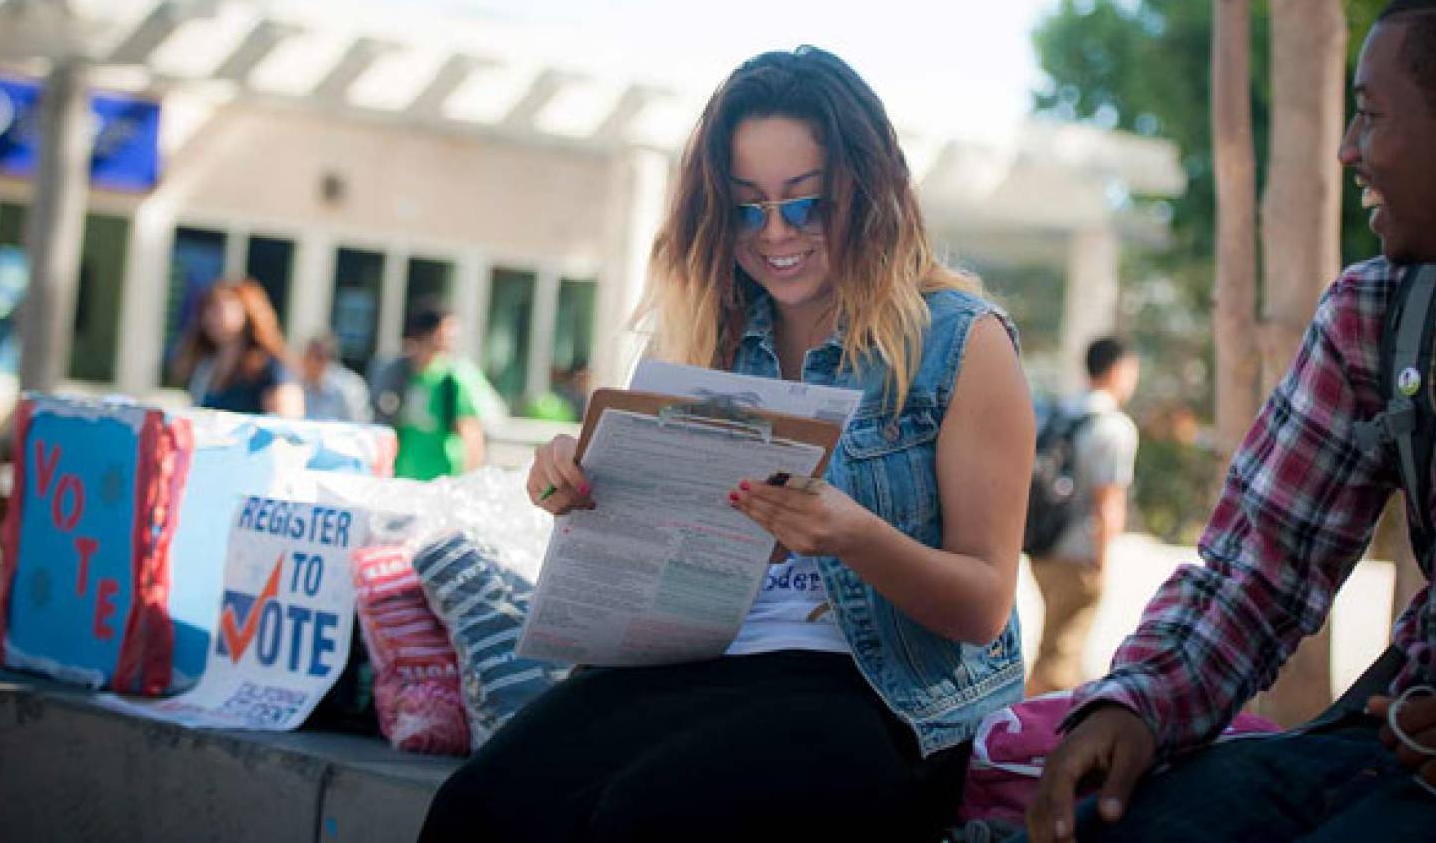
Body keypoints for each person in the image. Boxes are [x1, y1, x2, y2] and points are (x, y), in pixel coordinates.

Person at [1027, 0, 1436, 843]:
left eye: (1371, 113)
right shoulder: (1375, 313)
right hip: (1387, 754)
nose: (1349, 149)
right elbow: (1257, 570)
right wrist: (1134, 706)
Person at [420, 46, 1035, 841]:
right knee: (478, 808)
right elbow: (645, 554)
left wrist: (854, 537)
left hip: (880, 697)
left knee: (650, 818)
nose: (775, 233)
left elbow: (984, 604)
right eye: (747, 208)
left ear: (868, 192)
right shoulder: (704, 332)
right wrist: (583, 490)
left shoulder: (960, 343)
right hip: (693, 670)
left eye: (805, 203)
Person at [1027, 337, 1140, 697]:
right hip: (1078, 555)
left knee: (1062, 650)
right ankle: (1030, 740)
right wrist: (1104, 561)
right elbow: (1108, 500)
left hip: (1041, 545)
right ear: (1118, 370)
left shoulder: (1060, 413)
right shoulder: (1114, 427)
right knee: (1059, 660)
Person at [381, 300, 486, 480]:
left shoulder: (453, 378)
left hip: (442, 478)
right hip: (404, 474)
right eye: (447, 330)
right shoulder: (401, 374)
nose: (453, 337)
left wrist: (470, 480)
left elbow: (470, 431)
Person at [171, 279, 303, 417]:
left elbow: (287, 424)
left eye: (220, 309)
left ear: (247, 312)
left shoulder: (270, 367)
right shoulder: (204, 366)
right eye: (208, 309)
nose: (212, 317)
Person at [298, 333, 370, 423]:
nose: (309, 363)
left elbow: (359, 426)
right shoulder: (301, 386)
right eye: (306, 356)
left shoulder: (351, 388)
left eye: (318, 358)